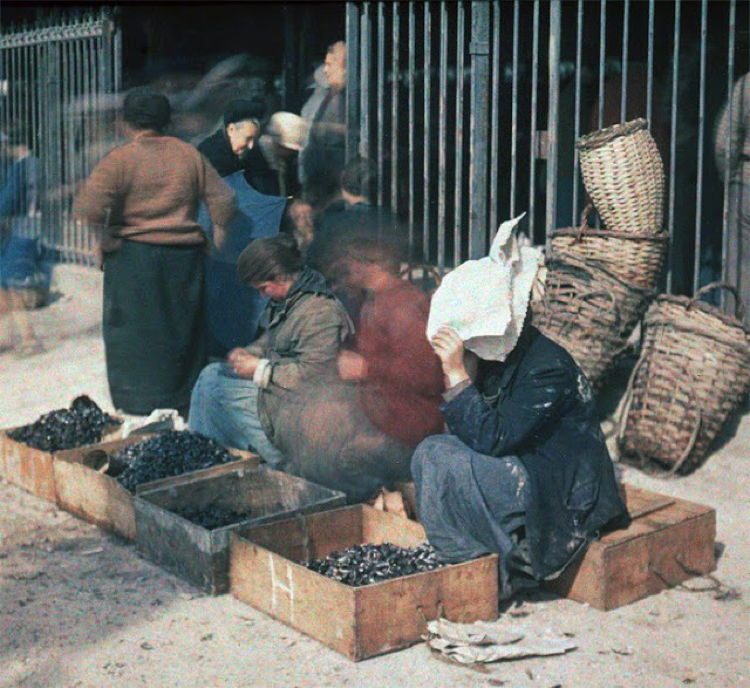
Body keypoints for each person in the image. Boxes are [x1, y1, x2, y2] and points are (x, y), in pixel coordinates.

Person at [412, 317, 628, 599]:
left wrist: (457, 373)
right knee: (428, 452)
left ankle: (490, 573)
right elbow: (463, 431)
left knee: (450, 463)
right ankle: (465, 556)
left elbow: (493, 439)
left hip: (561, 487)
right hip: (521, 462)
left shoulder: (547, 364)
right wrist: (467, 367)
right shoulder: (492, 357)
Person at [74, 88, 235, 417]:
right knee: (181, 331)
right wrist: (217, 237)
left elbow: (89, 206)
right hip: (184, 258)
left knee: (133, 335)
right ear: (168, 122)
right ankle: (184, 401)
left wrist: (102, 239)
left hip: (133, 260)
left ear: (125, 124)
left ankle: (137, 404)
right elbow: (225, 200)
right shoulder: (187, 154)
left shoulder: (120, 159)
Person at [272, 230, 443, 503]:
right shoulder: (372, 300)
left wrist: (367, 368)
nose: (344, 269)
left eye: (349, 262)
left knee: (335, 460)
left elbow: (429, 376)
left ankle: (378, 507)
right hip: (382, 421)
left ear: (369, 263)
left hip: (409, 435)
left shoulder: (402, 305)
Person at [188, 234, 353, 465]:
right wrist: (251, 352)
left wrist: (260, 369)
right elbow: (271, 340)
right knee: (212, 373)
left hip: (312, 410)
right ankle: (207, 455)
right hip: (287, 395)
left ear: (280, 276)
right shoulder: (289, 301)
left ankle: (289, 466)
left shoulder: (320, 312)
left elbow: (316, 376)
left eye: (263, 288)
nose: (261, 295)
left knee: (215, 386)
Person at [0, 125, 43, 356]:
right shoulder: (34, 164)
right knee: (5, 285)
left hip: (20, 229)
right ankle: (12, 337)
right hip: (30, 227)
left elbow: (6, 202)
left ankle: (28, 339)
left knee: (10, 285)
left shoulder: (19, 168)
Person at [715, 72, 750, 322]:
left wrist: (726, 177)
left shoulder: (748, 84)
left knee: (739, 269)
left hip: (747, 184)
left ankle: (736, 338)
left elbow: (725, 142)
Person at [197, 98, 278, 194]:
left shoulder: (249, 151)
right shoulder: (212, 156)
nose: (251, 146)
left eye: (254, 140)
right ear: (231, 130)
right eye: (248, 138)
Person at [300, 41, 347, 205]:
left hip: (336, 187)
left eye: (329, 64)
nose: (325, 70)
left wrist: (327, 128)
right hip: (320, 184)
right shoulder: (332, 95)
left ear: (346, 69)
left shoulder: (353, 100)